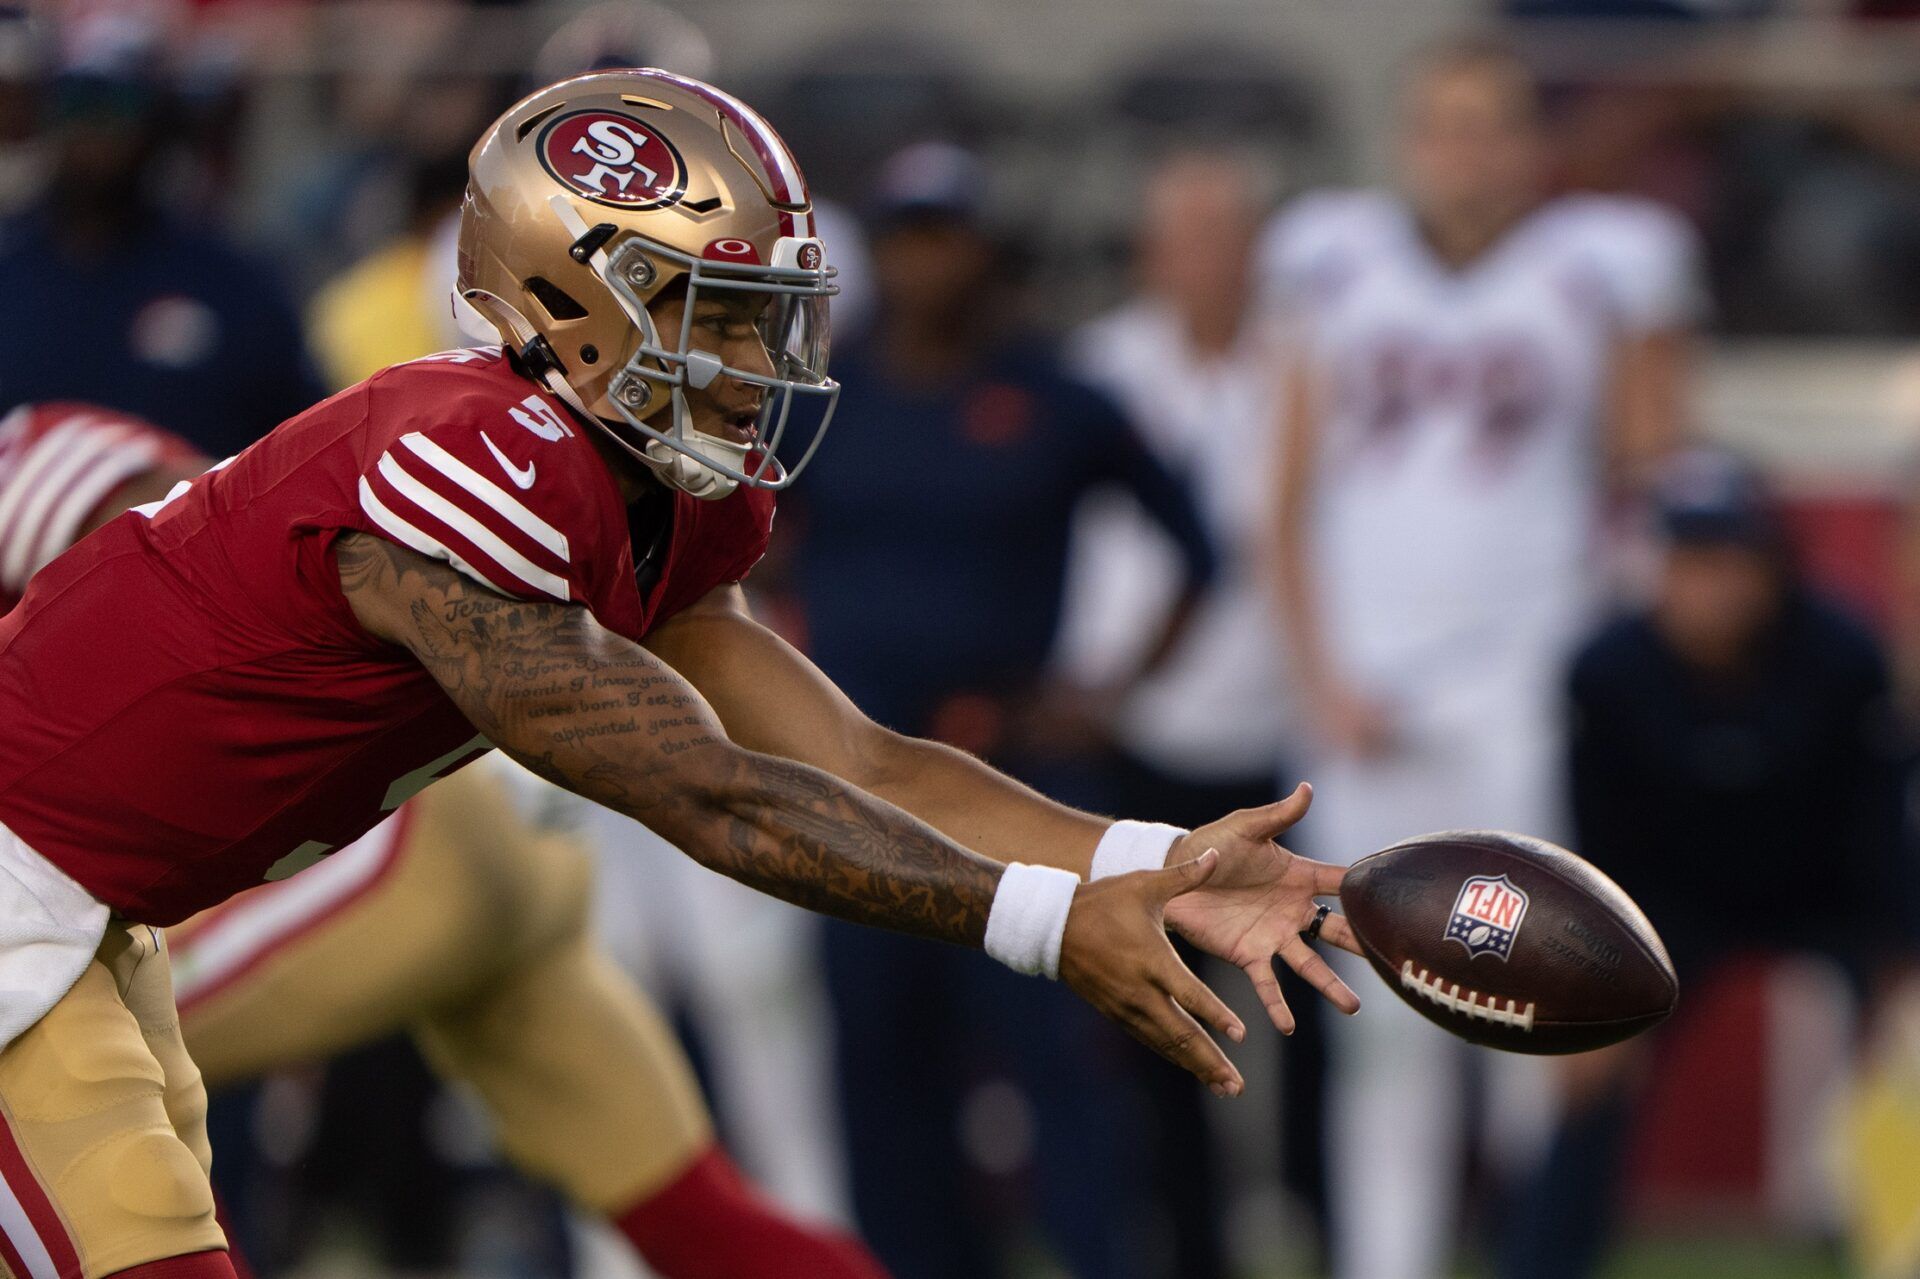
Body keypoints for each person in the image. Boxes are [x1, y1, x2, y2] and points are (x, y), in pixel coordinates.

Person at [0, 69, 1361, 1278]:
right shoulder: (470, 455)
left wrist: (1153, 860)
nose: (764, 360)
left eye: (775, 316)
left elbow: (855, 758)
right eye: (723, 313)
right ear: (575, 302)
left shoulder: (650, 495)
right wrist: (1048, 925)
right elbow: (719, 798)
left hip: (97, 918)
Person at [0, 399, 890, 1278]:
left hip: (406, 836)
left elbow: (182, 603)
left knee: (82, 1074)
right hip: (492, 831)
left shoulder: (39, 460)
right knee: (687, 1208)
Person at [1265, 38, 1698, 1279]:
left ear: (1530, 145)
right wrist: (1321, 675)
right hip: (1371, 694)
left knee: (1543, 1012)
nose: (1467, 151)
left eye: (1491, 126)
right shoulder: (1338, 269)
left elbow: (1652, 475)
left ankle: (1530, 1257)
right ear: (1410, 141)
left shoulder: (1592, 272)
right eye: (1445, 125)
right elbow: (1283, 502)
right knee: (1381, 1022)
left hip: (1527, 695)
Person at [787, 140, 1225, 1279]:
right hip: (857, 775)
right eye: (907, 236)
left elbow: (1197, 544)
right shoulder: (822, 395)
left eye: (947, 233)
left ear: (985, 247)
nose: (928, 260)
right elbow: (751, 548)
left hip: (1016, 768)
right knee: (881, 1063)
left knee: (1065, 1055)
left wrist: (1110, 693)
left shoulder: (1057, 395)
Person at [1501, 449, 1909, 1279]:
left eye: (1728, 560)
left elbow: (1880, 837)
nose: (1707, 586)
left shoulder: (1844, 659)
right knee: (1582, 1063)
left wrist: (1894, 969)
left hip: (1824, 896)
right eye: (1687, 561)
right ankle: (1540, 1261)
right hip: (1665, 910)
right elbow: (1592, 851)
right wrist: (1590, 992)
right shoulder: (1606, 671)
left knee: (1913, 1043)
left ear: (1771, 567)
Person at [1061, 148, 1305, 1279]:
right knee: (1162, 1014)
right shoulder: (1102, 369)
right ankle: (1192, 1246)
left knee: (1308, 1013)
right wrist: (1098, 689)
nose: (1206, 261)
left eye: (1226, 235)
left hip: (1279, 740)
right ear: (1153, 254)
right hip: (1143, 734)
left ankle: (1313, 1224)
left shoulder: (1308, 364)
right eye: (1186, 237)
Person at [0, 43, 322, 457]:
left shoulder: (231, 280)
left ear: (153, 128)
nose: (93, 131)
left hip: (191, 514)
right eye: (75, 105)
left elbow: (302, 437)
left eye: (118, 109)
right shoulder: (10, 265)